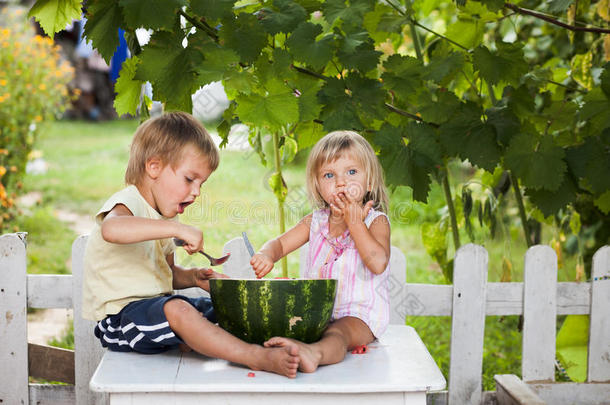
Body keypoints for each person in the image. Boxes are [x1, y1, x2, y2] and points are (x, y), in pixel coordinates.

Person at [82, 111, 299, 377]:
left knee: (216, 308)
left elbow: (167, 275)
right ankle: (253, 356)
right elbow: (112, 229)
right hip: (121, 322)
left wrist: (195, 278)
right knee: (180, 309)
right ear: (154, 167)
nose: (196, 192)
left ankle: (275, 337)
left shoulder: (158, 219)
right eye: (189, 179)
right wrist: (176, 228)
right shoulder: (129, 202)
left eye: (201, 184)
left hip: (156, 313)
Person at [250, 130, 391, 372]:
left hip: (358, 316)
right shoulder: (315, 221)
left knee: (338, 333)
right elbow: (280, 243)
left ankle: (314, 354)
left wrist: (355, 222)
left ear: (369, 182)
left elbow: (377, 263)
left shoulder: (375, 222)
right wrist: (267, 254)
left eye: (352, 172)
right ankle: (280, 352)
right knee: (280, 319)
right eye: (329, 175)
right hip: (316, 312)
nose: (341, 182)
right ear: (317, 184)